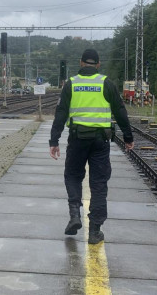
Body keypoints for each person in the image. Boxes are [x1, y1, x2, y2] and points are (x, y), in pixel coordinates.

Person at [49, 48, 134, 245]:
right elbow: (120, 112)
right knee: (98, 183)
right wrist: (128, 137)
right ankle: (94, 231)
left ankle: (74, 215)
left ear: (80, 62)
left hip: (77, 139)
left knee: (72, 176)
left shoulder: (71, 83)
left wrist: (54, 141)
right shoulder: (106, 83)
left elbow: (60, 113)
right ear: (97, 65)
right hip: (100, 141)